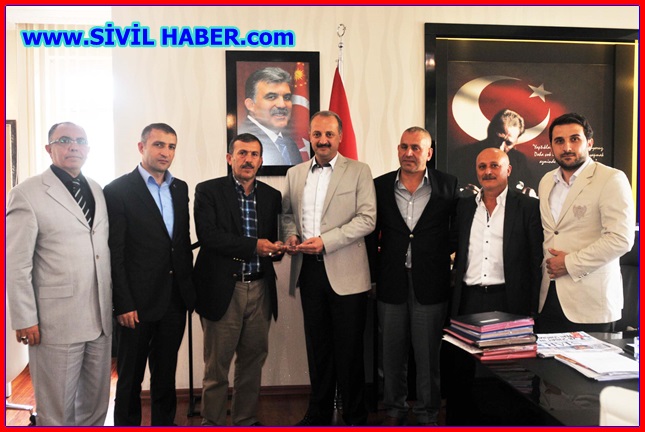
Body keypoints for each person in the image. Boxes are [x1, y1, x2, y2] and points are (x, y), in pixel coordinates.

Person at [6, 122, 113, 425]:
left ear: (88, 149)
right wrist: (25, 317)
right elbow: (16, 262)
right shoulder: (26, 193)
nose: (73, 146)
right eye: (64, 140)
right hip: (55, 322)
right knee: (56, 411)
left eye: (81, 140)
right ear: (49, 148)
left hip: (100, 317)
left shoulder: (97, 189)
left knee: (95, 406)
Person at [282, 110, 376, 426]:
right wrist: (291, 235)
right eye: (317, 134)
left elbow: (367, 219)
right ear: (310, 136)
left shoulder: (359, 171)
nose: (323, 140)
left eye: (329, 134)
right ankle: (319, 413)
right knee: (318, 348)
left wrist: (326, 241)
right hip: (308, 271)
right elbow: (286, 215)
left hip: (348, 274)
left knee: (350, 350)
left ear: (340, 137)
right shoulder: (295, 173)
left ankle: (355, 416)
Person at [104, 123, 196, 426]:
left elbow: (180, 243)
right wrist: (123, 303)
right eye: (158, 145)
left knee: (165, 374)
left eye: (171, 146)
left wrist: (188, 291)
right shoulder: (117, 191)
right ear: (141, 147)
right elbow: (115, 252)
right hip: (136, 305)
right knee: (130, 377)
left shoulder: (180, 188)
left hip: (174, 299)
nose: (165, 152)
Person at [366, 127, 458, 426]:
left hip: (431, 283)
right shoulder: (379, 185)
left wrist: (443, 258)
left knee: (428, 355)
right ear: (398, 150)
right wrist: (372, 276)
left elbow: (456, 232)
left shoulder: (447, 185)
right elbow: (371, 234)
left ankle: (427, 412)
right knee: (391, 354)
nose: (409, 153)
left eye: (416, 148)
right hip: (391, 281)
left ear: (428, 153)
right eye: (404, 147)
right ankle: (394, 410)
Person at [446, 147, 543, 425]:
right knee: (462, 373)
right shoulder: (464, 206)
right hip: (468, 300)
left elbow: (535, 260)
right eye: (482, 167)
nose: (487, 172)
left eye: (494, 166)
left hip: (508, 301)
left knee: (508, 374)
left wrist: (532, 308)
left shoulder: (527, 207)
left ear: (508, 170)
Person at [193, 133, 284, 426]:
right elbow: (209, 237)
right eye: (242, 153)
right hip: (223, 289)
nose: (248, 159)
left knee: (252, 362)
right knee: (217, 366)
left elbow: (274, 240)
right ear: (229, 158)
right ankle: (212, 422)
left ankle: (246, 420)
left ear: (261, 160)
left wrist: (282, 246)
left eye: (254, 154)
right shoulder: (208, 191)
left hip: (260, 288)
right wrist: (255, 246)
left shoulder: (272, 196)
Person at [536, 113, 635, 333]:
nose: (567, 147)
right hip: (549, 298)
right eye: (559, 141)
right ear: (551, 146)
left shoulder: (611, 179)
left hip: (591, 302)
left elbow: (621, 239)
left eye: (575, 139)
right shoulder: (546, 181)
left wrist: (570, 263)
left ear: (589, 143)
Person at [455, 109, 536, 196]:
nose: (500, 147)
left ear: (516, 142)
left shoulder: (519, 160)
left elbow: (531, 187)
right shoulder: (463, 155)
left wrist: (531, 194)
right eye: (498, 138)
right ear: (490, 131)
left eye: (508, 143)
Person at [239, 66, 303, 165]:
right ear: (251, 105)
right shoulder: (243, 141)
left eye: (287, 97)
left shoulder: (289, 142)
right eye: (272, 97)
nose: (282, 105)